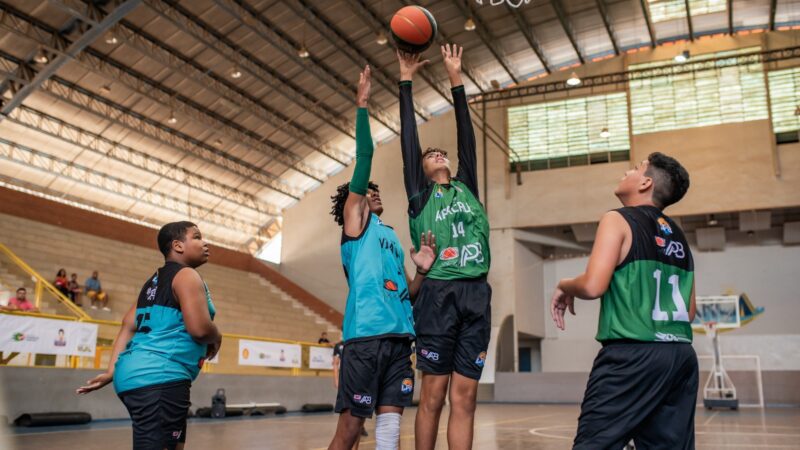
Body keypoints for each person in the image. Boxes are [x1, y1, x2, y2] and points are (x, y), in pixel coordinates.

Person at [550, 153, 697, 450]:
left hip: (632, 356)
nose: (627, 170)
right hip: (680, 356)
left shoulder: (617, 218)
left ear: (645, 182)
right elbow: (689, 312)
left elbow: (592, 286)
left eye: (636, 167)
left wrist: (564, 284)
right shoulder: (679, 236)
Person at [327, 65, 436, 450]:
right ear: (353, 206)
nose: (374, 193)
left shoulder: (389, 236)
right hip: (366, 339)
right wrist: (362, 103)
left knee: (390, 429)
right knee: (351, 430)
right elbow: (366, 154)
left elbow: (408, 291)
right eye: (366, 191)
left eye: (374, 191)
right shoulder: (355, 227)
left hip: (398, 339)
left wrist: (422, 272)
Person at [397, 45, 492, 450]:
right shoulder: (420, 196)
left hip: (476, 293)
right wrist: (406, 82)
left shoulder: (467, 186)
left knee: (465, 397)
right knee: (433, 396)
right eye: (429, 155)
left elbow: (466, 135)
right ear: (420, 170)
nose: (437, 154)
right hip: (436, 294)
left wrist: (456, 79)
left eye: (441, 153)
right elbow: (409, 139)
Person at [77, 221, 221, 450]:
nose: (205, 243)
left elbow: (127, 324)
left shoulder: (152, 283)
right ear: (178, 246)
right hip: (158, 376)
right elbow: (200, 329)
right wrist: (217, 336)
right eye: (197, 237)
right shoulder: (187, 276)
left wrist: (112, 371)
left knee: (172, 445)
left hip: (141, 374)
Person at [332, 340, 368, 449]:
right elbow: (335, 363)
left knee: (359, 420)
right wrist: (336, 380)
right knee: (349, 421)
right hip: (348, 382)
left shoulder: (363, 342)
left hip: (362, 381)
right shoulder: (339, 346)